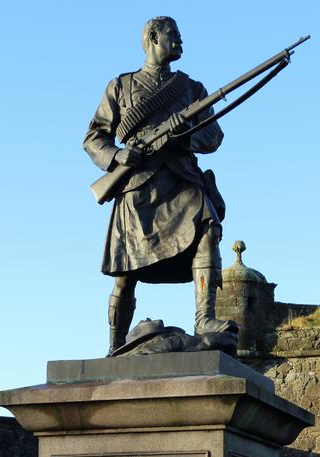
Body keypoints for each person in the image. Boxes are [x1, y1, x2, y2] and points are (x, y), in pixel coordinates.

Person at [83, 16, 237, 355]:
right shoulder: (121, 86)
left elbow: (213, 136)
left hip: (181, 179)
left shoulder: (192, 89)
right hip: (137, 185)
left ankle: (204, 319)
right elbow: (94, 137)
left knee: (208, 225)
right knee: (126, 271)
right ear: (153, 38)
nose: (181, 42)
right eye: (174, 35)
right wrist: (119, 157)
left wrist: (183, 134)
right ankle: (115, 345)